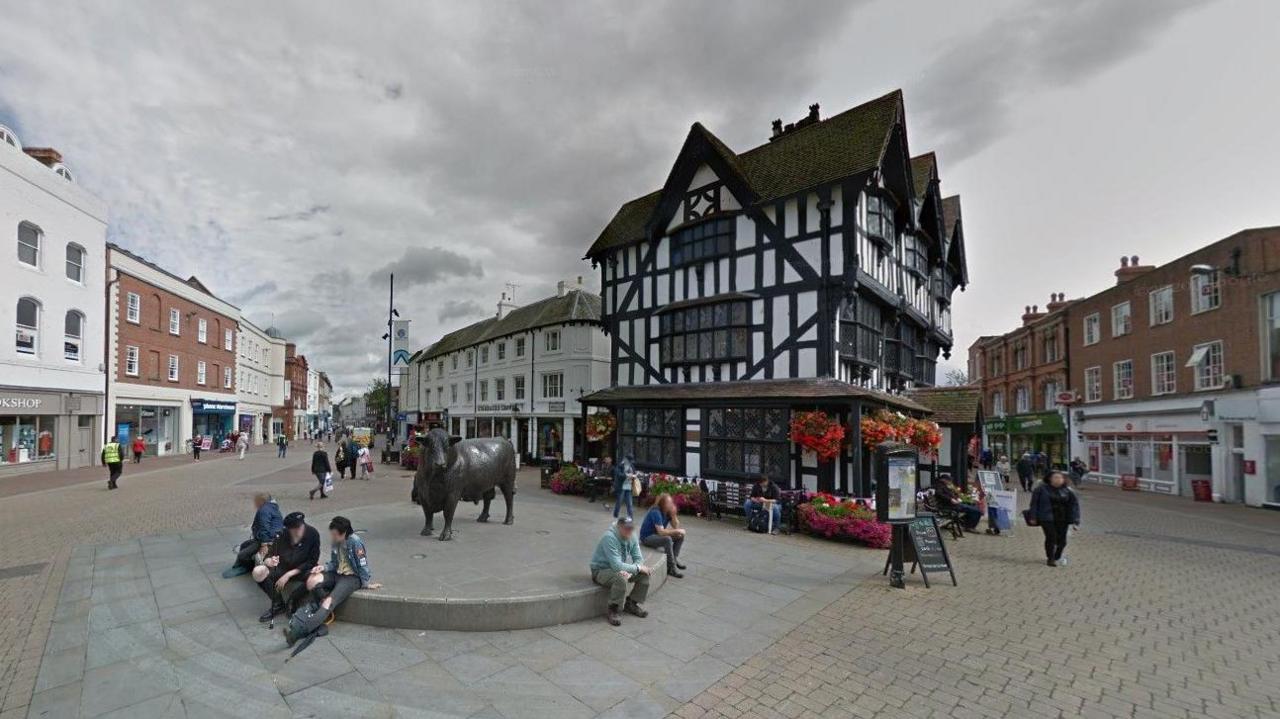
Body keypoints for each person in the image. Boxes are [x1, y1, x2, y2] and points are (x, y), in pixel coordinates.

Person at [284, 516, 382, 646]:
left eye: (335, 535)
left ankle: (298, 632)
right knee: (313, 580)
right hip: (337, 573)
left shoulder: (355, 543)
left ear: (344, 533)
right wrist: (323, 567)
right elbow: (334, 563)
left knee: (329, 602)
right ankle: (315, 605)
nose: (333, 538)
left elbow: (363, 566)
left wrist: (365, 584)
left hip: (351, 578)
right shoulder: (336, 542)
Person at [252, 511, 320, 622]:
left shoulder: (313, 533)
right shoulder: (282, 534)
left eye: (300, 527)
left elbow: (312, 560)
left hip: (302, 570)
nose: (299, 530)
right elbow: (271, 553)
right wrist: (269, 560)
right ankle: (278, 603)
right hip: (283, 568)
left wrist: (289, 575)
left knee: (317, 579)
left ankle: (293, 600)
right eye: (295, 529)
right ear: (289, 529)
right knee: (258, 572)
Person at [589, 516, 651, 626]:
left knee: (644, 575)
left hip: (618, 568)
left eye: (631, 528)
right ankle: (613, 609)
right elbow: (616, 565)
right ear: (618, 527)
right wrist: (635, 568)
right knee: (621, 579)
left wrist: (631, 570)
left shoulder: (632, 535)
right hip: (601, 570)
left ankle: (631, 603)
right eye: (626, 528)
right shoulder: (609, 537)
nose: (629, 531)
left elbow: (638, 558)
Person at [222, 493, 283, 578]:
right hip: (265, 538)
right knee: (244, 545)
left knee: (242, 555)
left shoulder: (264, 510)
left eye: (256, 502)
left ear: (262, 501)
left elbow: (264, 527)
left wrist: (264, 545)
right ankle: (241, 564)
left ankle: (248, 566)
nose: (255, 504)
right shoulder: (270, 507)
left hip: (268, 540)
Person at [1029, 470, 1081, 567]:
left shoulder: (1068, 491)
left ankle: (1057, 555)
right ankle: (1050, 558)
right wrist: (1033, 516)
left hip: (1063, 518)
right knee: (1051, 537)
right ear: (1050, 479)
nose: (1058, 480)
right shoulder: (1041, 489)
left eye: (1060, 478)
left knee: (1062, 541)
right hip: (1047, 517)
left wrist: (1076, 520)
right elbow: (1034, 504)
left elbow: (1074, 505)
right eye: (1055, 477)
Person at [639, 493, 686, 577]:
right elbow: (661, 532)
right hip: (647, 537)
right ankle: (671, 567)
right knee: (667, 539)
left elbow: (675, 526)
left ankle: (674, 559)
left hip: (657, 535)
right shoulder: (655, 511)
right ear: (663, 504)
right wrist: (677, 530)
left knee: (680, 536)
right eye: (669, 503)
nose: (671, 505)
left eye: (671, 502)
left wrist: (673, 515)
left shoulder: (667, 512)